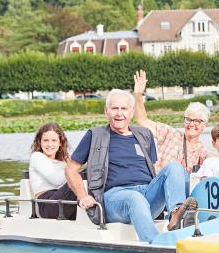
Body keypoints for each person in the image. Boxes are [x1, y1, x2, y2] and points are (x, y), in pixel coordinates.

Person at [64, 89, 197, 242]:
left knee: (174, 167)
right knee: (134, 198)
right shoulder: (95, 135)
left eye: (124, 108)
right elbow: (71, 169)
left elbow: (155, 168)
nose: (119, 113)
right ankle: (156, 245)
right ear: (106, 111)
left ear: (131, 112)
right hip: (114, 197)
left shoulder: (144, 135)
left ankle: (176, 215)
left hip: (146, 193)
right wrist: (83, 196)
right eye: (114, 108)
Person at [133, 70, 211, 173]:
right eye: (188, 119)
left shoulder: (204, 153)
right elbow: (142, 120)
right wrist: (138, 95)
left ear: (204, 125)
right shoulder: (171, 134)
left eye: (197, 121)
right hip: (159, 184)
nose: (191, 124)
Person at [29, 122, 77, 219]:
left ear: (60, 143)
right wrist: (75, 167)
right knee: (82, 176)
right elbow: (56, 180)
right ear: (39, 142)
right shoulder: (37, 157)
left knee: (93, 173)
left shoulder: (63, 162)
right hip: (47, 204)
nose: (50, 144)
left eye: (54, 140)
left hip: (64, 201)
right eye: (45, 140)